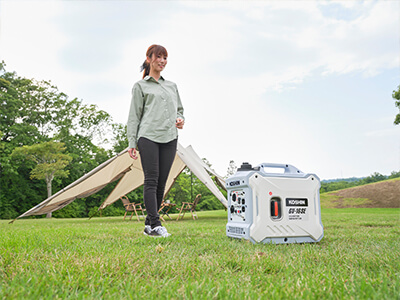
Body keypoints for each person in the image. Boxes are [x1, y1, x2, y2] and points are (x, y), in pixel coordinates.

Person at [127, 44, 184, 238]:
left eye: (165, 58)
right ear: (149, 58)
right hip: (148, 136)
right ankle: (157, 224)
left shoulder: (172, 86)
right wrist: (131, 142)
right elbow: (134, 116)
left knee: (162, 183)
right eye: (158, 57)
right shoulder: (140, 86)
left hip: (170, 137)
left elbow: (180, 110)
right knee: (151, 180)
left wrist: (180, 119)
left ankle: (148, 225)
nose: (162, 61)